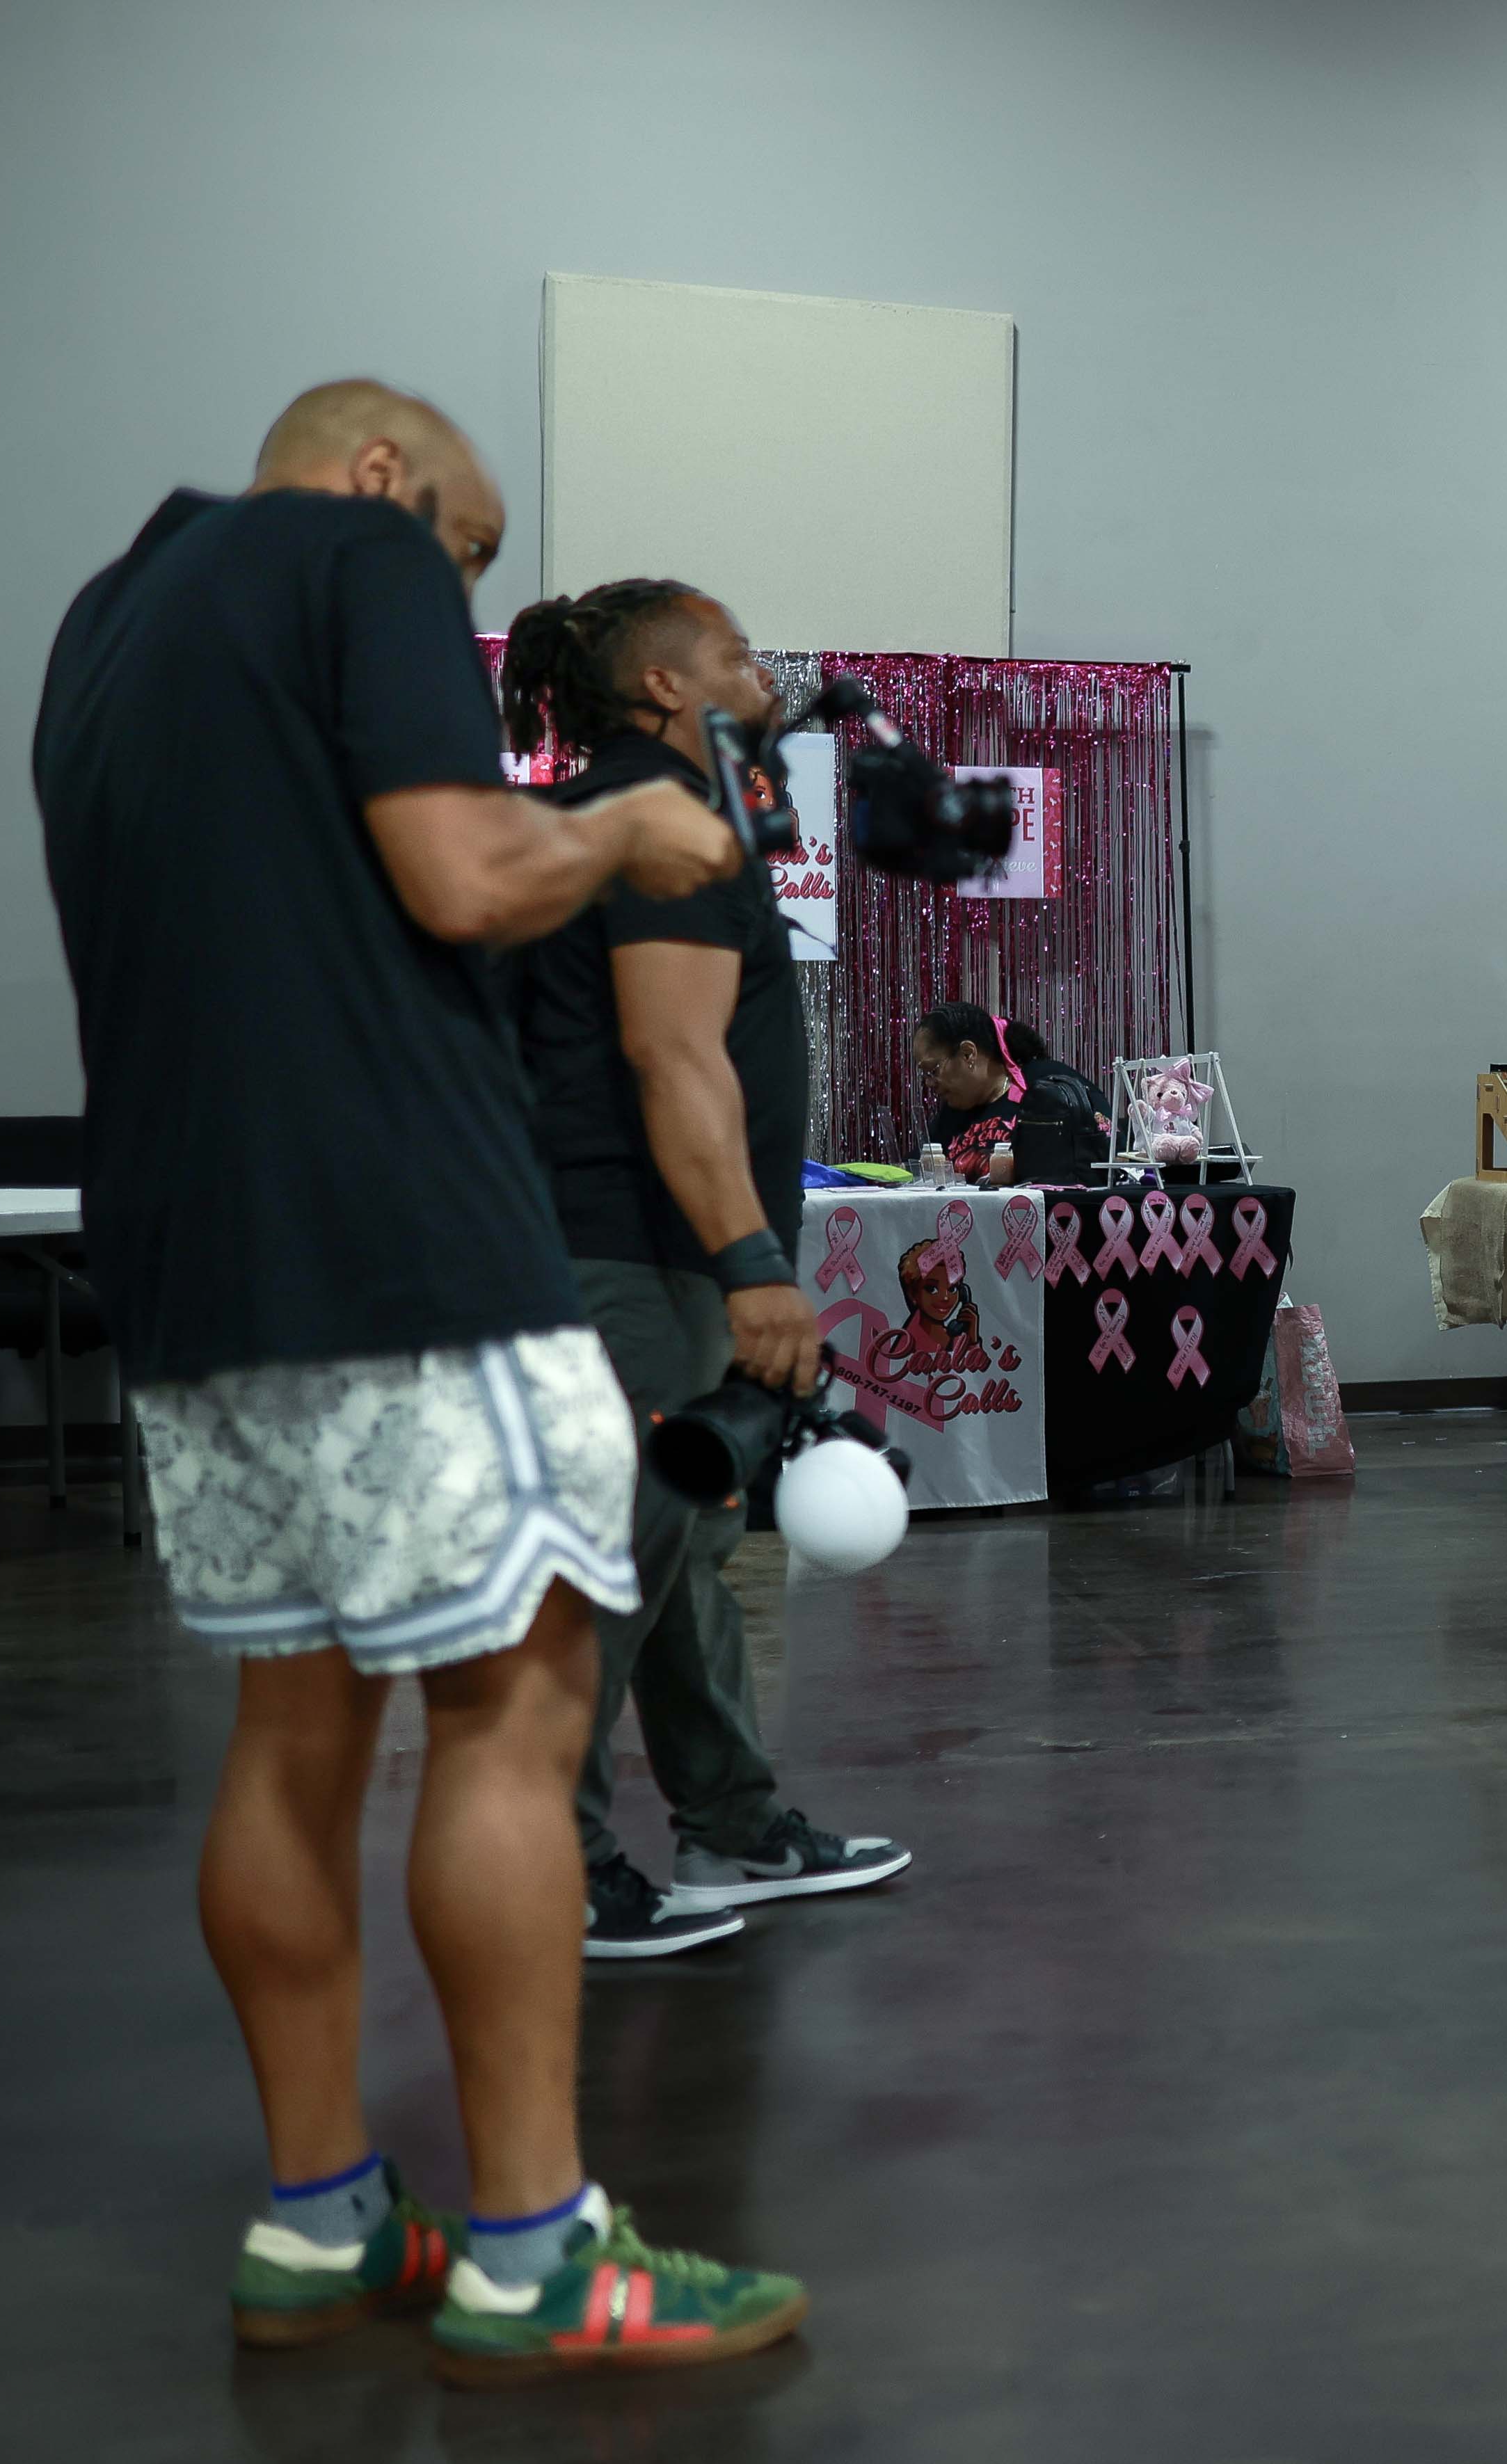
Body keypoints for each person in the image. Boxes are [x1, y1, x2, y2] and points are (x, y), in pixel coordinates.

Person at [33, 380, 805, 2377]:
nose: (456, 591)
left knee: (294, 1731)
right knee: (517, 1705)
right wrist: (624, 825)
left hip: (194, 1260)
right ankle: (537, 2250)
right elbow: (463, 874)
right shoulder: (351, 551)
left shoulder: (110, 617)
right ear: (385, 476)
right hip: (404, 1238)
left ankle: (317, 2220)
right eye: (466, 547)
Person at [504, 580, 914, 1960]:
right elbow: (669, 1055)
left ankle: (731, 1819)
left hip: (643, 1249)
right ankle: (549, 1870)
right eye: (733, 656)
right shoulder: (656, 827)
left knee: (677, 1553)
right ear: (665, 687)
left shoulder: (651, 812)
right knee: (609, 1561)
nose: (762, 677)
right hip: (630, 1252)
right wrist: (752, 1265)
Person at [913, 1000, 1113, 1186]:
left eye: (933, 1070)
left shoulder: (1049, 1088)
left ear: (968, 1053)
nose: (929, 1083)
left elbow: (1110, 1156)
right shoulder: (951, 1115)